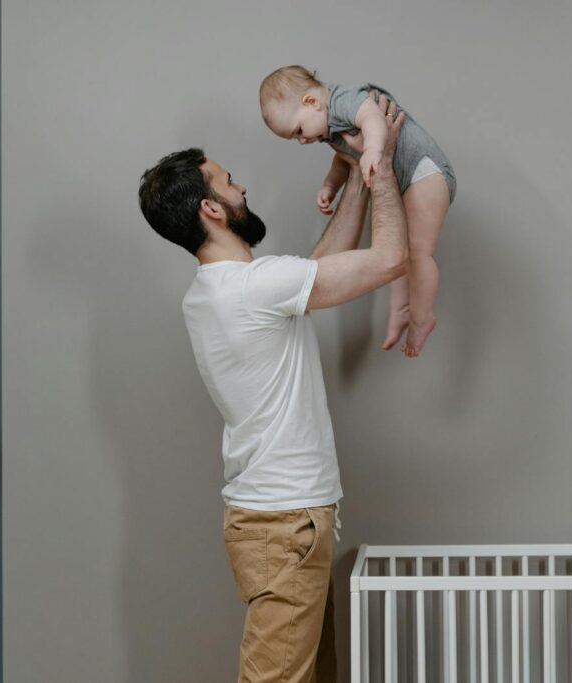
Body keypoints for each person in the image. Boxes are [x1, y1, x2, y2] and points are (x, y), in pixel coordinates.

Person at [137, 93, 407, 682]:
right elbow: (389, 259)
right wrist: (380, 163)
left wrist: (358, 179)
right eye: (230, 183)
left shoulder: (218, 292)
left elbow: (312, 271)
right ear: (211, 207)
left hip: (280, 523)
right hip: (285, 527)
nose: (243, 190)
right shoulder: (253, 289)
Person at [260, 65, 456, 358]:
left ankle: (422, 318)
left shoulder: (344, 100)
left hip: (425, 172)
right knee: (399, 254)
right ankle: (401, 310)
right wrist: (330, 186)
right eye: (294, 138)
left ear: (311, 102)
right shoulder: (330, 130)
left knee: (419, 253)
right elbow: (344, 159)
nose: (302, 140)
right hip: (406, 180)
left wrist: (375, 150)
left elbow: (373, 117)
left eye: (299, 131)